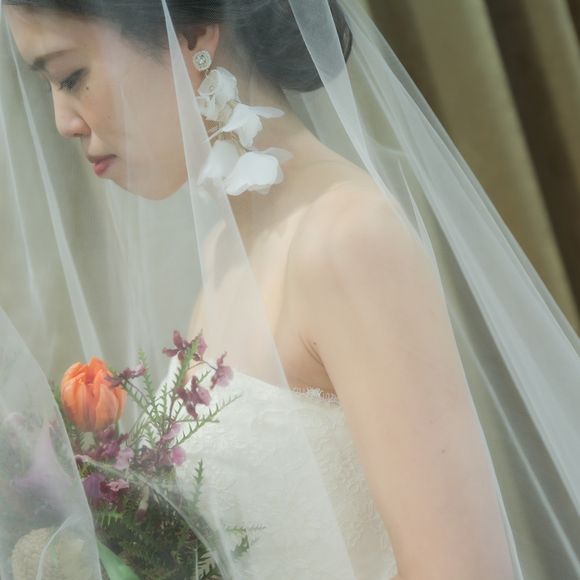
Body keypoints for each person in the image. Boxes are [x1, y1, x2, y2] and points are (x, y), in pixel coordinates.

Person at [0, 1, 578, 579]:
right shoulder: (224, 251)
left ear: (193, 35)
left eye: (70, 76)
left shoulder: (347, 240)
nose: (63, 122)